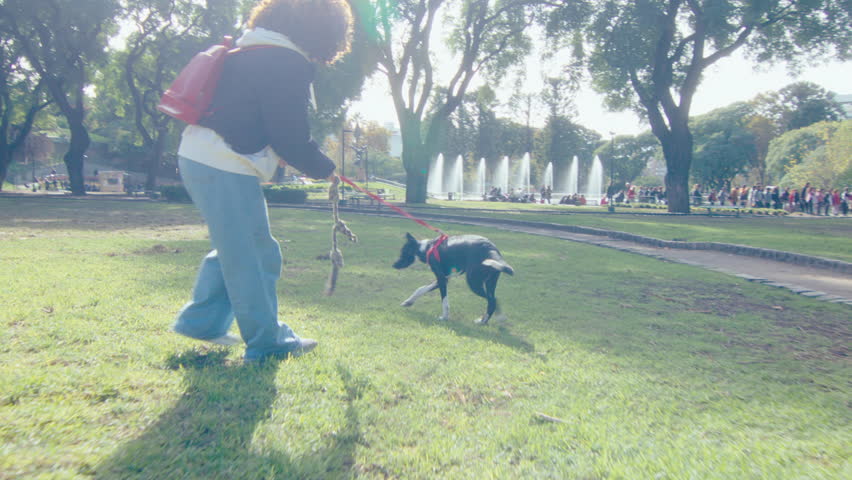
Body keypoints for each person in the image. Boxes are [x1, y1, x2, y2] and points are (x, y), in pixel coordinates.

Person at [171, 0, 353, 362]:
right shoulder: (286, 61)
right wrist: (324, 168)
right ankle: (267, 343)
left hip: (203, 157)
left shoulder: (250, 49)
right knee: (253, 255)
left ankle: (201, 321)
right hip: (222, 163)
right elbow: (289, 136)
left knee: (240, 248)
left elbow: (259, 119)